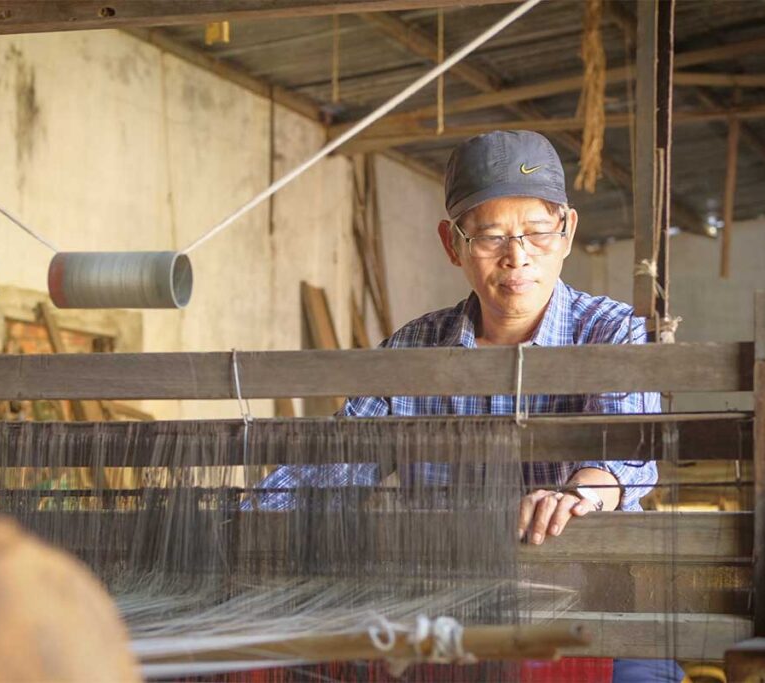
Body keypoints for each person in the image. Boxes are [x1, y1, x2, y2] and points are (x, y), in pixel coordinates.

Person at [251, 130, 681, 681]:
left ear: (568, 231)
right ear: (451, 243)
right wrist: (233, 517)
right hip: (453, 615)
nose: (516, 257)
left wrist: (578, 495)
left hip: (597, 612)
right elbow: (336, 461)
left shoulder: (610, 330)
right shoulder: (416, 350)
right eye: (490, 237)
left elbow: (627, 448)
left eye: (536, 232)